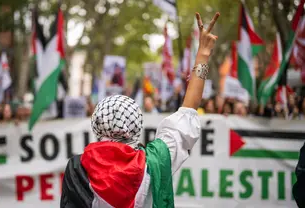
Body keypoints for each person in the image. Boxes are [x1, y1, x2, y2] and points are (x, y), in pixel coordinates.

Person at [60, 12, 220, 207]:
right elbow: (188, 111)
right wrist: (203, 53)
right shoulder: (156, 160)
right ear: (136, 124)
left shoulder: (77, 168)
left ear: (97, 123)